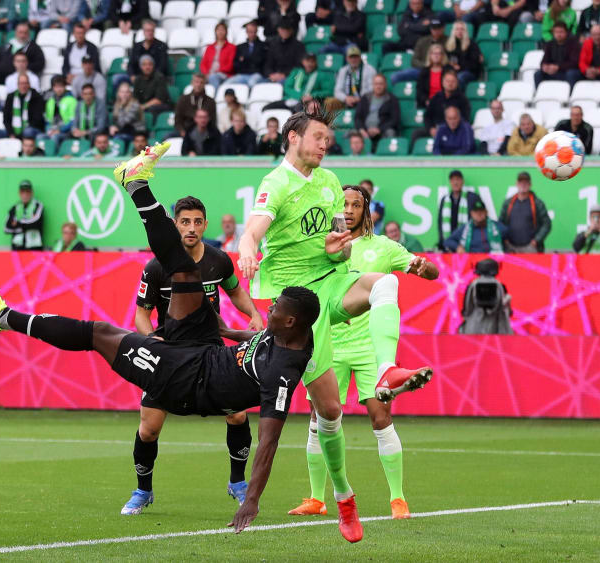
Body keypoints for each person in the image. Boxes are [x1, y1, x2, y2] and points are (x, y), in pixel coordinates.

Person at [0, 152, 325, 537]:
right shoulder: (295, 332)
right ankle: (135, 182)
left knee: (98, 333)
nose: (268, 308)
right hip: (204, 347)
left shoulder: (281, 375)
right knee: (184, 268)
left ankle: (2, 317)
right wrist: (227, 330)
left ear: (290, 321)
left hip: (186, 379)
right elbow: (257, 336)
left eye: (275, 309)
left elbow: (269, 442)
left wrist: (253, 500)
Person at [234, 108, 435, 540]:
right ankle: (344, 498)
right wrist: (247, 248)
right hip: (298, 307)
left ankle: (386, 369)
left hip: (332, 282)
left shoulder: (329, 182)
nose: (325, 145)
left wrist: (337, 246)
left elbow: (341, 248)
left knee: (385, 284)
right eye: (318, 137)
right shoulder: (276, 183)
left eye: (328, 139)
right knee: (329, 411)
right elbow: (252, 230)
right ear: (293, 137)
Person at [288, 185, 438, 520]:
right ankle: (316, 499)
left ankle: (398, 499)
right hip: (329, 344)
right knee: (318, 419)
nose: (349, 210)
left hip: (368, 348)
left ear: (366, 210)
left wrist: (422, 266)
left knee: (381, 418)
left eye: (356, 204)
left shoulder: (384, 247)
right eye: (344, 204)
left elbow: (432, 273)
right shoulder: (323, 247)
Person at [126, 194, 263, 515]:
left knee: (237, 414)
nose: (191, 228)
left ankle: (237, 482)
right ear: (175, 225)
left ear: (205, 225)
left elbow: (236, 291)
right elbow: (141, 314)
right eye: (185, 222)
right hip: (169, 355)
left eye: (197, 222)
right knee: (149, 428)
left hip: (211, 353)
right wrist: (153, 341)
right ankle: (143, 491)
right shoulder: (156, 267)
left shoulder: (218, 260)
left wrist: (254, 314)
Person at [499, 171, 550, 253]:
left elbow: (547, 224)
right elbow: (500, 223)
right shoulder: (508, 203)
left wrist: (536, 240)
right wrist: (505, 239)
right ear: (516, 184)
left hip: (530, 248)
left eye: (526, 182)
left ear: (530, 184)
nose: (523, 184)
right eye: (521, 182)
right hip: (510, 248)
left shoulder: (537, 203)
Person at [418, 70, 470, 146]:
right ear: (442, 82)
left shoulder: (462, 99)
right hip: (435, 129)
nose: (450, 84)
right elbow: (427, 116)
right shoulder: (436, 97)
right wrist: (431, 129)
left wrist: (446, 129)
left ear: (457, 83)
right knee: (417, 134)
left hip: (453, 131)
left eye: (452, 81)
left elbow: (465, 118)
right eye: (448, 81)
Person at [444, 198, 509, 253]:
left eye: (481, 211)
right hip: (472, 262)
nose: (479, 214)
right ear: (471, 213)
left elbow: (510, 237)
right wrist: (458, 247)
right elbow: (447, 241)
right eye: (476, 212)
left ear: (486, 212)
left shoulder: (497, 227)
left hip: (493, 261)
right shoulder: (465, 229)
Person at [355, 74, 400, 152]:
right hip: (365, 130)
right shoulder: (365, 98)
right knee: (351, 134)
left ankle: (386, 155)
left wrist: (379, 129)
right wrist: (362, 129)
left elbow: (395, 120)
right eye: (376, 84)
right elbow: (357, 117)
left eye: (381, 84)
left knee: (390, 133)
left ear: (385, 85)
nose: (378, 86)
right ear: (373, 85)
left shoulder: (392, 99)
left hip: (382, 130)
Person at [392, 21, 446, 85]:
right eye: (434, 28)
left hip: (442, 70)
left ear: (443, 29)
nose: (436, 31)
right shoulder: (423, 41)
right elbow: (414, 60)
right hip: (423, 69)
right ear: (431, 29)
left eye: (438, 28)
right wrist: (426, 65)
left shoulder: (448, 41)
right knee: (395, 76)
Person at [437, 169, 479, 249]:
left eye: (458, 179)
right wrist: (442, 241)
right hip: (449, 243)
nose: (455, 182)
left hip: (467, 243)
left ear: (462, 181)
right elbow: (440, 222)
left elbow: (477, 219)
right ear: (450, 182)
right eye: (453, 180)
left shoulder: (471, 197)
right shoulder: (445, 199)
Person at [224, 20, 269, 89]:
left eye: (254, 32)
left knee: (252, 83)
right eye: (250, 32)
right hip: (242, 74)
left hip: (257, 74)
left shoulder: (263, 46)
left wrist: (244, 59)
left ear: (257, 32)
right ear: (246, 32)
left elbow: (262, 62)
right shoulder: (240, 47)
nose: (252, 34)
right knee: (227, 84)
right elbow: (236, 64)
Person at [536, 22, 581, 87]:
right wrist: (545, 67)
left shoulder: (574, 44)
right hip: (553, 71)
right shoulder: (550, 44)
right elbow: (544, 61)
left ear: (566, 32)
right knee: (538, 74)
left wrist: (558, 67)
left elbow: (574, 63)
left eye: (561, 32)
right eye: (556, 32)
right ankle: (539, 92)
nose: (558, 34)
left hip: (566, 71)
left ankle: (570, 92)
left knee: (571, 74)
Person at [331, 46, 376, 110]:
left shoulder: (370, 70)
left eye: (355, 57)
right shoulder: (343, 70)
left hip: (363, 100)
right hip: (346, 100)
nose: (353, 60)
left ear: (360, 57)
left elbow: (372, 89)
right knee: (330, 102)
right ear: (347, 58)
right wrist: (346, 98)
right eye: (351, 57)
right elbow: (337, 90)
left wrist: (359, 99)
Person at [264, 16, 306, 84]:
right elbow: (268, 64)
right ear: (278, 30)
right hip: (274, 76)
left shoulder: (298, 46)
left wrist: (284, 74)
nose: (285, 32)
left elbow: (299, 66)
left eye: (287, 29)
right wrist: (271, 74)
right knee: (260, 84)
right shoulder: (273, 45)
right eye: (282, 29)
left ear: (291, 30)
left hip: (291, 76)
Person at [4, 180, 44, 250]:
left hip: (34, 248)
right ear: (19, 193)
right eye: (22, 192)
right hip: (17, 248)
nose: (25, 194)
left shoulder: (38, 206)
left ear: (32, 193)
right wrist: (25, 226)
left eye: (27, 192)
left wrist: (17, 223)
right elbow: (7, 228)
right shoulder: (15, 208)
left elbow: (36, 224)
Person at [3, 74, 46, 139]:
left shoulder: (36, 97)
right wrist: (11, 133)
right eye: (21, 83)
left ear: (29, 84)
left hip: (32, 129)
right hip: (13, 131)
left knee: (28, 131)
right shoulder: (10, 97)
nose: (23, 86)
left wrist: (18, 136)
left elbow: (37, 120)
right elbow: (6, 119)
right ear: (17, 84)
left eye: (25, 83)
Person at [128, 20, 170, 85]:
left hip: (155, 78)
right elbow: (131, 64)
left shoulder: (161, 46)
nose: (149, 33)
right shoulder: (137, 46)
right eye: (147, 30)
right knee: (119, 78)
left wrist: (149, 77)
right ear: (143, 32)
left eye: (151, 30)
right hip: (138, 77)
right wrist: (132, 75)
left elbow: (162, 66)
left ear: (154, 32)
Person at [445, 21, 483, 88]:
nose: (459, 31)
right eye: (457, 29)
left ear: (465, 31)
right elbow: (446, 61)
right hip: (452, 71)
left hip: (469, 72)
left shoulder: (472, 44)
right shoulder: (449, 45)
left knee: (460, 77)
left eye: (462, 29)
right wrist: (452, 66)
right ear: (453, 31)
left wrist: (460, 67)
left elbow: (474, 64)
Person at [43, 75, 78, 146]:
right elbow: (48, 121)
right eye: (56, 87)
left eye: (61, 86)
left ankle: (53, 153)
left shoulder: (72, 100)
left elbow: (73, 121)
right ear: (53, 88)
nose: (59, 89)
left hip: (67, 131)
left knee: (54, 137)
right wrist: (49, 130)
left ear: (65, 87)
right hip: (53, 129)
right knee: (40, 137)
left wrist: (60, 130)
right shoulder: (50, 101)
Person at [415, 44, 453, 109]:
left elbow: (453, 89)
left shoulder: (448, 69)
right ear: (430, 55)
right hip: (428, 104)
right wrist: (426, 101)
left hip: (445, 103)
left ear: (442, 56)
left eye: (439, 53)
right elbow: (419, 91)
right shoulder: (424, 71)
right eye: (434, 53)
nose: (436, 56)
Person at [201, 21, 235, 89]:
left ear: (226, 32)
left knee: (213, 77)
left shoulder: (231, 47)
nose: (220, 32)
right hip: (209, 74)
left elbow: (231, 65)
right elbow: (203, 64)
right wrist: (206, 73)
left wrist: (217, 71)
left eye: (222, 30)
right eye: (218, 30)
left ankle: (215, 95)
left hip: (224, 74)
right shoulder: (209, 47)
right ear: (215, 32)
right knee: (197, 79)